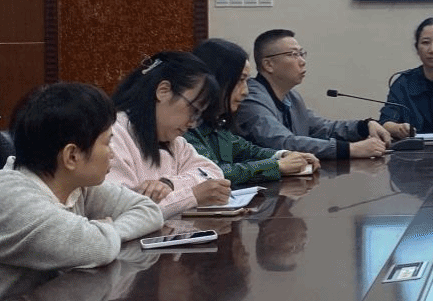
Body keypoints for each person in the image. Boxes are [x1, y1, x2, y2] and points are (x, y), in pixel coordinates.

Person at [0, 82, 164, 301]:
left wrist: (105, 229)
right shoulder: (11, 198)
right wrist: (101, 233)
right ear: (72, 156)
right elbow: (100, 247)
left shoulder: (74, 182)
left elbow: (149, 211)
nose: (113, 154)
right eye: (107, 143)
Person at [108, 51, 233, 217]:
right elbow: (123, 213)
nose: (192, 123)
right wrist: (192, 196)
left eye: (198, 116)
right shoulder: (112, 135)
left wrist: (170, 184)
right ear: (163, 91)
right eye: (194, 110)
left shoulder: (174, 142)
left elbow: (213, 174)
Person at [233, 29, 388, 159]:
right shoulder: (251, 98)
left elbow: (323, 128)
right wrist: (350, 149)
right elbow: (283, 143)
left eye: (302, 54)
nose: (302, 61)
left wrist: (364, 126)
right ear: (268, 64)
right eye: (293, 54)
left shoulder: (292, 97)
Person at [189, 38, 319, 183]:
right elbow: (213, 173)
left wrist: (284, 155)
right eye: (240, 80)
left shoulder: (217, 122)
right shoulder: (187, 126)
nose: (246, 91)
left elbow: (248, 151)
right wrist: (277, 166)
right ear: (217, 80)